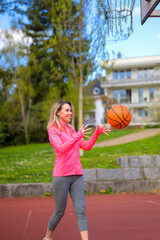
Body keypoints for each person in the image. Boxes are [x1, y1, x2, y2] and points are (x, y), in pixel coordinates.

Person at [43, 100, 111, 240]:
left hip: (77, 175)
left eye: (70, 110)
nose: (70, 113)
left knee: (80, 210)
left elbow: (85, 146)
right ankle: (48, 237)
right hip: (61, 176)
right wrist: (76, 136)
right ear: (58, 112)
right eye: (67, 110)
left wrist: (96, 133)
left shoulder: (71, 129)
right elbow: (61, 149)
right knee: (59, 212)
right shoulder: (53, 130)